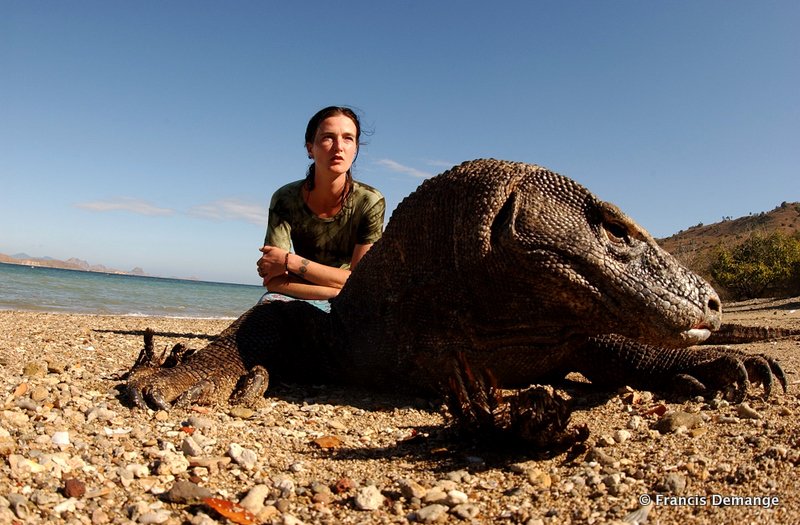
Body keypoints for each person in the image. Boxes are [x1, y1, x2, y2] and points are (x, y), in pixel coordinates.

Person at [256, 106, 385, 305]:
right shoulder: (286, 198)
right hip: (305, 291)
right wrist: (334, 293)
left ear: (356, 148)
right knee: (267, 310)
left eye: (348, 138)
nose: (339, 147)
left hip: (352, 298)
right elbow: (274, 281)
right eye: (328, 137)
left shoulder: (369, 202)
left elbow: (362, 280)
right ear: (310, 148)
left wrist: (291, 261)